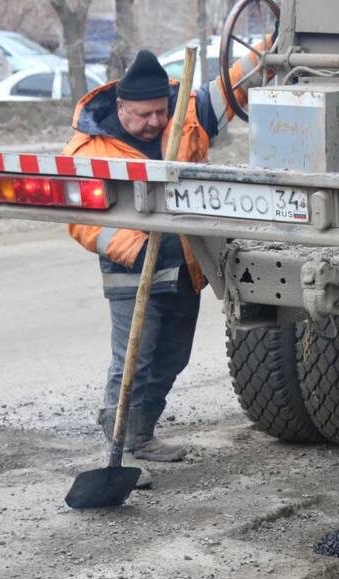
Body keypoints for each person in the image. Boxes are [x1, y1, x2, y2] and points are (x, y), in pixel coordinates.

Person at [63, 47, 270, 482]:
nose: (155, 121)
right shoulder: (90, 147)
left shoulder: (187, 116)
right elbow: (80, 220)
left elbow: (235, 83)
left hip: (186, 267)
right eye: (144, 115)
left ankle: (143, 434)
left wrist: (273, 42)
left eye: (160, 111)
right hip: (132, 270)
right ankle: (119, 445)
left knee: (173, 356)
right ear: (121, 107)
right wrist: (135, 248)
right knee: (132, 362)